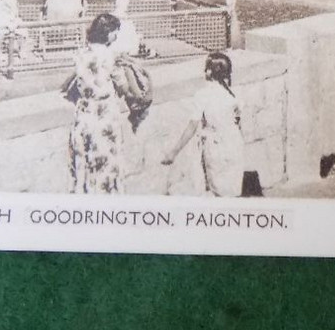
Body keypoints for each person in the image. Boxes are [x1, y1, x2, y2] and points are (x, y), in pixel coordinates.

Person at [66, 13, 153, 194]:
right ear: (107, 33)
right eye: (115, 32)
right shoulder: (110, 57)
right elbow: (124, 88)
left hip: (83, 113)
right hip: (104, 113)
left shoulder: (80, 54)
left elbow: (71, 87)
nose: (115, 36)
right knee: (106, 159)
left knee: (84, 159)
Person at [163, 52, 245, 197]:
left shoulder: (202, 95)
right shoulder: (233, 94)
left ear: (209, 72)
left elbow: (192, 126)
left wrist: (174, 152)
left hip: (216, 146)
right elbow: (238, 123)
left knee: (218, 190)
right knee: (232, 189)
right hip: (234, 143)